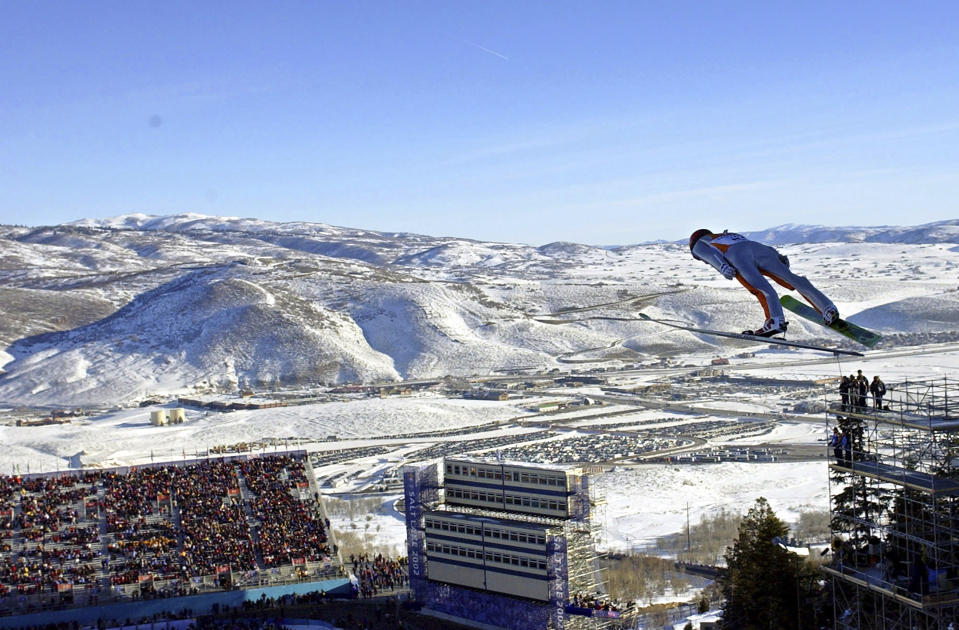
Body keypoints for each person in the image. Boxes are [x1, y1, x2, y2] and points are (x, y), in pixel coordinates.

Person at [689, 229, 839, 337]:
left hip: (737, 254)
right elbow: (762, 247)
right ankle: (827, 308)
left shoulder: (699, 242)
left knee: (762, 288)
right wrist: (779, 257)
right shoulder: (729, 235)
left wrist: (722, 266)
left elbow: (708, 254)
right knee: (794, 280)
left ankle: (775, 321)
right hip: (760, 249)